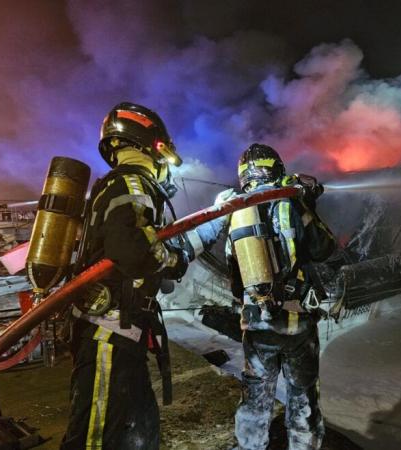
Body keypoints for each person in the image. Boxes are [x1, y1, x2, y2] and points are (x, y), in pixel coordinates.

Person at [186, 144, 336, 450]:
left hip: (257, 323)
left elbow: (199, 236)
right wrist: (309, 205)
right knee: (303, 397)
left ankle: (251, 445)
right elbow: (325, 248)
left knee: (256, 397)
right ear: (276, 167)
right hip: (298, 324)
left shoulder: (234, 204)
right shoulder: (292, 201)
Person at [60, 102, 189, 450]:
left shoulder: (115, 185)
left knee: (138, 433)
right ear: (155, 144)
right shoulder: (131, 183)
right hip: (109, 336)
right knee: (94, 437)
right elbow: (132, 248)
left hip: (120, 335)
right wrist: (176, 259)